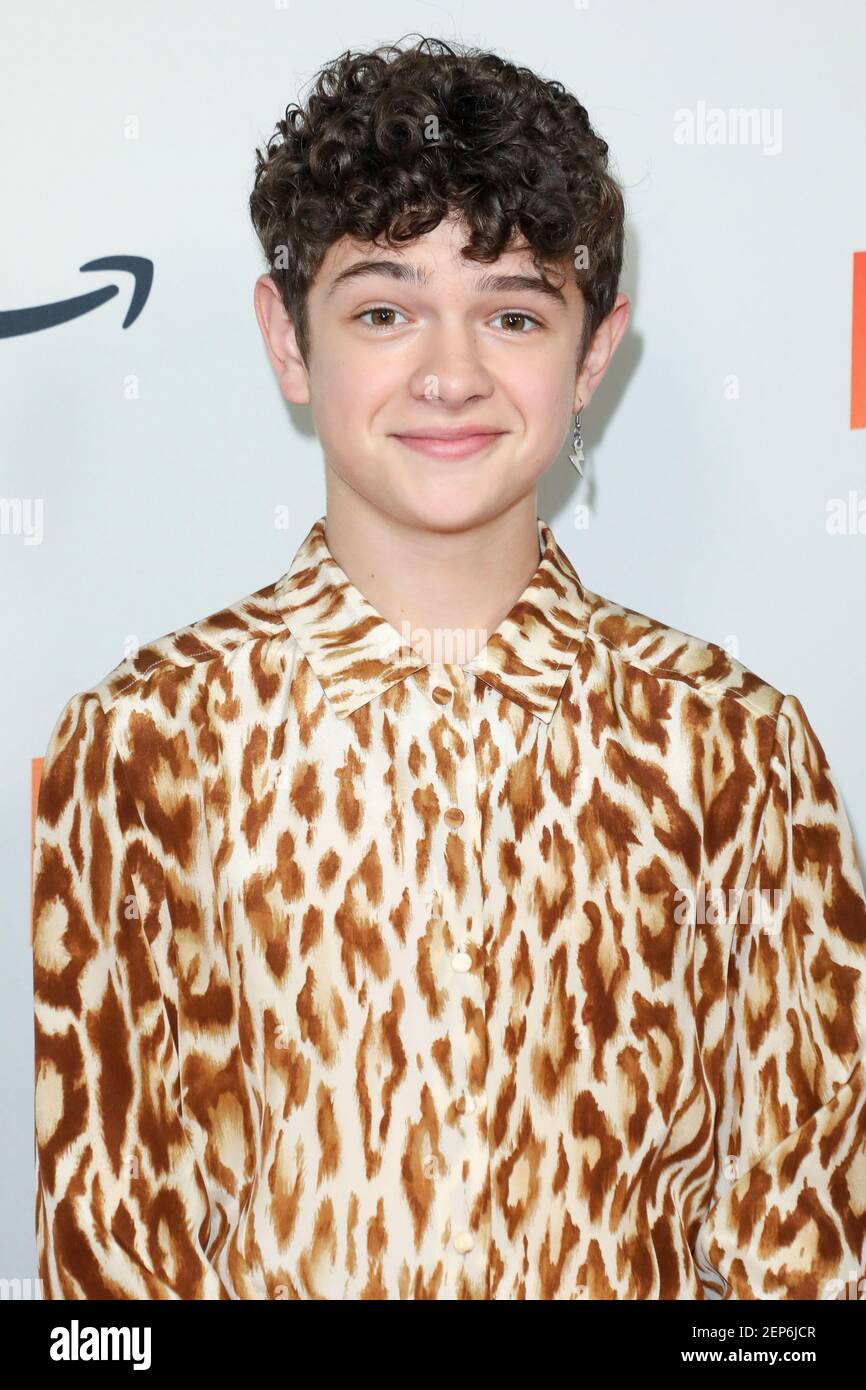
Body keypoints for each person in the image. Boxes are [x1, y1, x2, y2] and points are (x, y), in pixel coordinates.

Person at [31, 35, 866, 1300]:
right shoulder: (147, 741)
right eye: (382, 308)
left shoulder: (730, 744)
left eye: (513, 312)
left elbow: (798, 1255)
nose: (449, 373)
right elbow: (112, 1260)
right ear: (287, 339)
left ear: (593, 353)